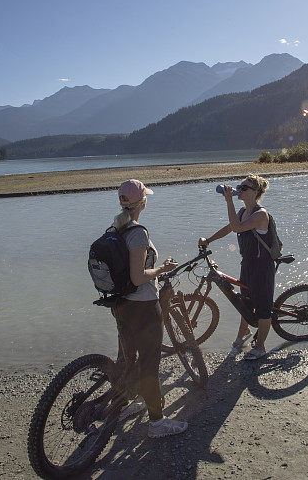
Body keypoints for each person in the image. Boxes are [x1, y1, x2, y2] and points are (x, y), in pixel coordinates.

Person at [110, 179, 188, 438]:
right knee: (149, 363)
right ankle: (157, 423)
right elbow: (138, 277)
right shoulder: (137, 232)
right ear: (142, 202)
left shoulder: (115, 227)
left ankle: (124, 404)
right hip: (142, 306)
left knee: (127, 357)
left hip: (121, 304)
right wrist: (162, 269)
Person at [199, 174, 275, 360]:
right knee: (245, 300)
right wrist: (209, 240)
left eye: (244, 188)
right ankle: (244, 332)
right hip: (248, 263)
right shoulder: (243, 212)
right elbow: (229, 228)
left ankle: (260, 347)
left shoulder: (260, 214)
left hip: (262, 266)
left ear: (255, 192)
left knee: (263, 308)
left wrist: (228, 201)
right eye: (239, 186)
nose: (239, 190)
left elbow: (237, 228)